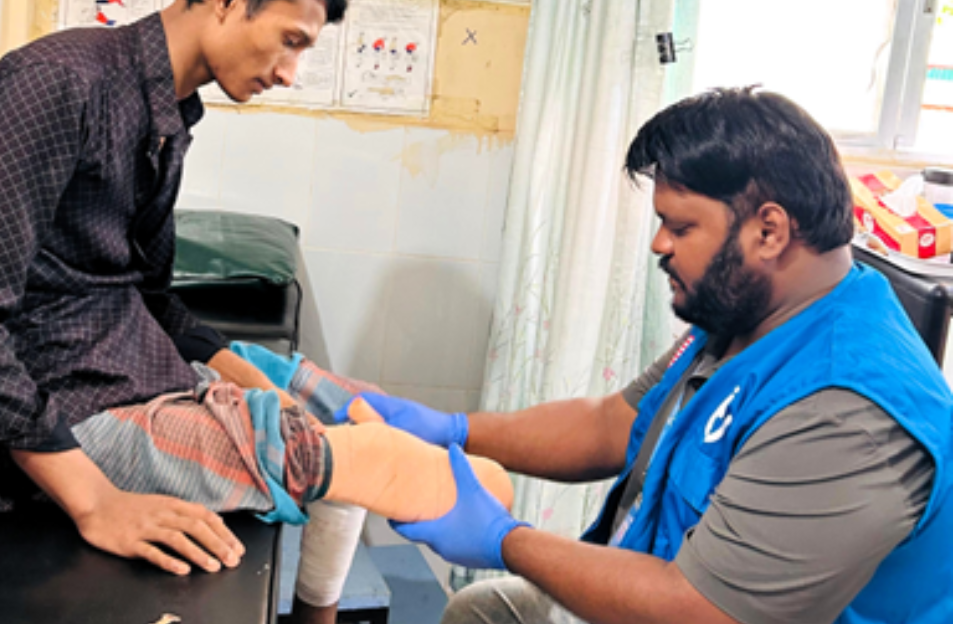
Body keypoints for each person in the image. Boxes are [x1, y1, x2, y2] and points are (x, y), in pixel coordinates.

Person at [341, 87, 953, 624]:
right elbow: (615, 422)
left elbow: (701, 609)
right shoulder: (753, 316)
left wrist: (505, 541)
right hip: (669, 588)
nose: (659, 245)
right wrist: (454, 429)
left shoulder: (844, 411)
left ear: (768, 231)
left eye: (680, 227)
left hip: (696, 609)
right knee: (486, 610)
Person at [0, 2, 392, 623]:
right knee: (355, 457)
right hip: (65, 410)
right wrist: (94, 502)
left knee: (354, 407)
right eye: (290, 41)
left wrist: (255, 378)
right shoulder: (56, 82)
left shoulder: (162, 112)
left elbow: (148, 294)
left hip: (135, 370)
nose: (289, 73)